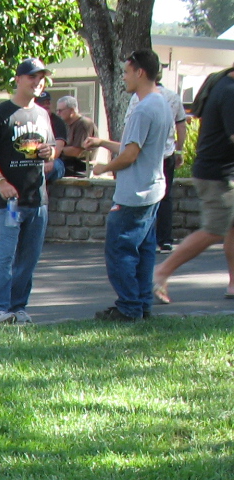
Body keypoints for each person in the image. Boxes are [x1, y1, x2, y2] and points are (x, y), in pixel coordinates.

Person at [85, 49, 175, 321]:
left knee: (120, 251)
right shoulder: (162, 104)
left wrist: (103, 167)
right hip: (153, 189)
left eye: (126, 71)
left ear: (140, 72)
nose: (123, 77)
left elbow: (130, 155)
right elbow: (138, 148)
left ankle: (128, 307)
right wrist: (102, 143)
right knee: (144, 251)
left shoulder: (143, 109)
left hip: (133, 193)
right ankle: (142, 304)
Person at [0, 58, 59, 324]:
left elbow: (50, 149)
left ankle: (18, 307)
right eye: (32, 77)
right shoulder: (0, 114)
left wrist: (51, 152)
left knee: (29, 257)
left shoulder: (42, 115)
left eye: (42, 78)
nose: (38, 82)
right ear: (18, 79)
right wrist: (1, 182)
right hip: (10, 202)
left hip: (37, 198)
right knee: (5, 254)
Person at [155, 66, 234, 302]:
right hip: (217, 175)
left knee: (231, 228)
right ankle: (161, 273)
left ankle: (233, 283)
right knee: (214, 230)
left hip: (222, 172)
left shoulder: (222, 84)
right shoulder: (229, 91)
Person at [153, 83, 188, 252]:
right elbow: (181, 125)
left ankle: (146, 238)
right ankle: (164, 239)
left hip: (148, 154)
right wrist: (179, 149)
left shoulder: (139, 97)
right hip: (167, 152)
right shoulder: (173, 96)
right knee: (165, 196)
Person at [54, 97, 95, 177]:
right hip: (67, 164)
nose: (58, 114)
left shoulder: (83, 124)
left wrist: (56, 150)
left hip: (79, 167)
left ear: (72, 111)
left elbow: (76, 151)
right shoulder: (66, 125)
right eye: (57, 111)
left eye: (60, 111)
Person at [35, 94, 70, 181]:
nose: (46, 105)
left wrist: (49, 160)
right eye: (42, 103)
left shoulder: (58, 122)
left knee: (48, 168)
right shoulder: (29, 120)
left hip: (55, 160)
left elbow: (57, 149)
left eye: (48, 102)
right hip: (34, 160)